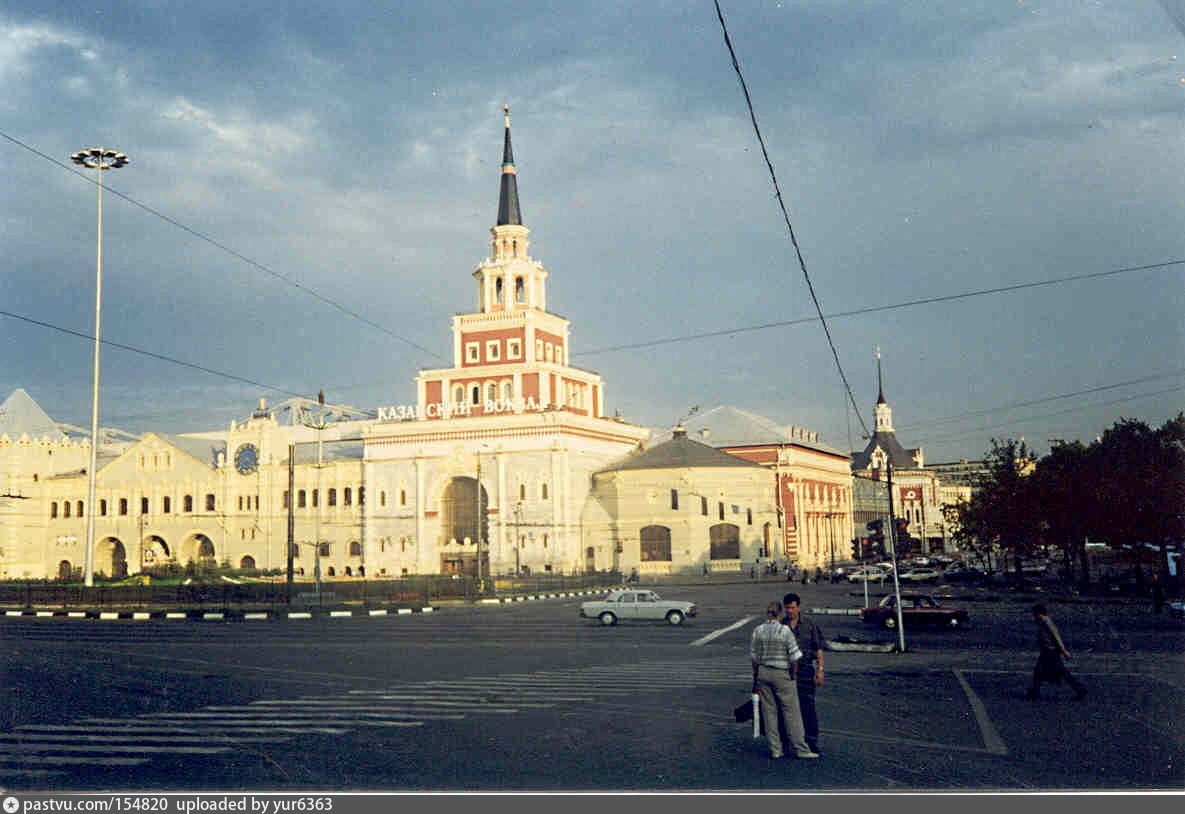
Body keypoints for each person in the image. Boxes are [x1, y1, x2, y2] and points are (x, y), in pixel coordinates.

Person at [749, 601, 819, 760]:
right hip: (782, 674)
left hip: (763, 673)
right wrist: (793, 675)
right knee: (792, 713)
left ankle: (776, 749)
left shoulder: (758, 630)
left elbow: (753, 657)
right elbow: (795, 657)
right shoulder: (784, 631)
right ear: (779, 614)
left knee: (770, 713)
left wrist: (756, 676)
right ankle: (801, 748)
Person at [782, 592, 825, 754]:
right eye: (787, 608)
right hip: (786, 673)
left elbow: (818, 648)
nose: (790, 611)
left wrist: (820, 670)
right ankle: (786, 741)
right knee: (785, 709)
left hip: (806, 671)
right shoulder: (781, 625)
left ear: (798, 607)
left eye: (792, 608)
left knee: (808, 708)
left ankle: (811, 742)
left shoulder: (810, 625)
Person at [1026, 603, 1086, 701]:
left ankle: (1080, 689)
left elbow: (1056, 637)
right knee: (1042, 671)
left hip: (1051, 652)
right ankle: (1035, 692)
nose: (1033, 616)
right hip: (1047, 651)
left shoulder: (1047, 622)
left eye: (1034, 613)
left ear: (1039, 613)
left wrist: (1064, 651)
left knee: (1055, 672)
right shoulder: (1042, 622)